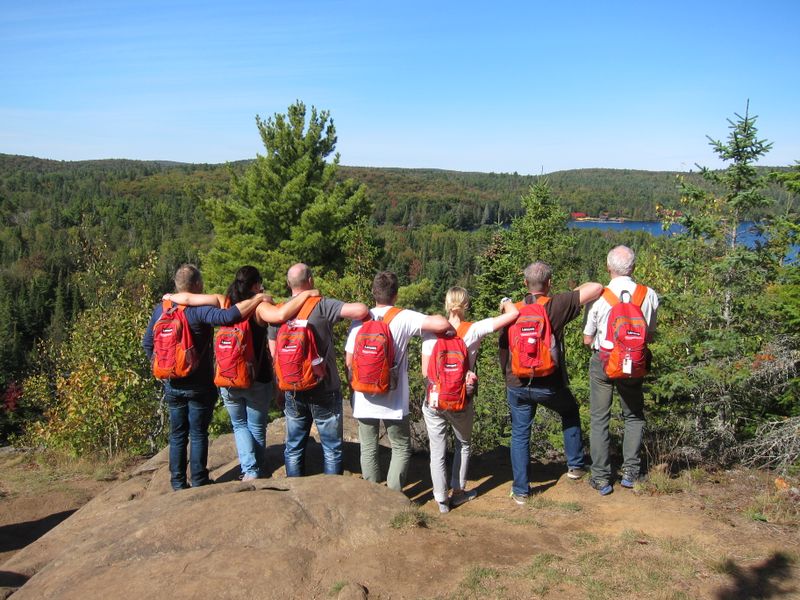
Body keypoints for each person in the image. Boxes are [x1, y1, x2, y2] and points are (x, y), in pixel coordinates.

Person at [164, 266, 320, 481]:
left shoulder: (224, 301)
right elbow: (281, 314)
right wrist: (306, 294)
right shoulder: (260, 307)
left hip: (228, 376)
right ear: (255, 285)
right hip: (257, 378)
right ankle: (254, 470)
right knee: (255, 425)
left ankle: (250, 469)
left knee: (239, 425)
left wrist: (171, 296)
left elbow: (189, 299)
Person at [143, 264, 267, 491]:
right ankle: (199, 479)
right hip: (199, 384)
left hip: (172, 382)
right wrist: (258, 299)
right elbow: (230, 316)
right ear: (197, 285)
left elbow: (147, 344)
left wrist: (164, 368)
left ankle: (178, 483)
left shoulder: (160, 310)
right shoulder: (198, 311)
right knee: (198, 432)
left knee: (178, 434)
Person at [499, 261, 603, 504]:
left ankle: (522, 491)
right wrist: (570, 293)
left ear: (525, 284)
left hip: (517, 382)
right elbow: (596, 287)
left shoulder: (512, 310)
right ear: (549, 283)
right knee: (569, 410)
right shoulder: (558, 304)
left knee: (520, 434)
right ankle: (576, 466)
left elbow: (503, 348)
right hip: (549, 384)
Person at [345, 271, 451, 492]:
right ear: (396, 295)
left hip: (364, 395)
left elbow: (348, 361)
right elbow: (441, 324)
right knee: (401, 446)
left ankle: (372, 496)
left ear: (374, 293)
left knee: (368, 447)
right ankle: (393, 498)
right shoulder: (404, 317)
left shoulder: (360, 320)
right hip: (393, 397)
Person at [421, 287, 519, 513]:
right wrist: (505, 300)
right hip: (461, 399)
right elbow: (513, 315)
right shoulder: (473, 330)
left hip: (435, 402)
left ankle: (441, 501)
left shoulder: (431, 333)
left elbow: (426, 372)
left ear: (446, 304)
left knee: (437, 451)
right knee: (463, 444)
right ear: (466, 305)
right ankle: (458, 492)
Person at [268, 263, 369, 477]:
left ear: (288, 284)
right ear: (311, 281)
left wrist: (279, 390)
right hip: (324, 386)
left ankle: (295, 489)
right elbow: (361, 310)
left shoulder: (277, 313)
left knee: (294, 447)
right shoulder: (321, 305)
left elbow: (274, 357)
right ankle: (330, 495)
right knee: (332, 448)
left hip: (292, 388)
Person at [583, 245, 659, 495]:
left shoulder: (599, 296)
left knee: (599, 418)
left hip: (603, 361)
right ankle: (630, 473)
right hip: (634, 363)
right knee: (634, 415)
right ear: (633, 268)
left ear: (608, 267)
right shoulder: (648, 294)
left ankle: (601, 478)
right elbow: (650, 334)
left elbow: (586, 339)